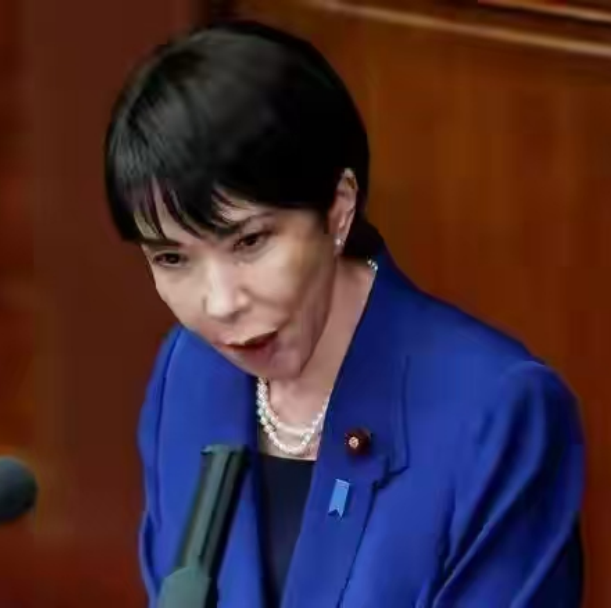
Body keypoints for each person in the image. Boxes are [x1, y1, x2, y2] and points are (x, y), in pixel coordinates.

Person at [103, 20, 584, 608]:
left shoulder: (497, 412)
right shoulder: (190, 372)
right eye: (172, 258)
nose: (220, 304)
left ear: (338, 208)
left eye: (250, 242)